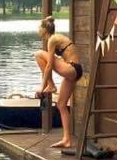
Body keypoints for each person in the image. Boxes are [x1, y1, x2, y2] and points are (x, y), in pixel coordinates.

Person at [34, 15, 82, 149]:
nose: (38, 31)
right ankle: (67, 139)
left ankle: (51, 85)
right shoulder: (56, 38)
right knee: (61, 105)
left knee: (38, 54)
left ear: (44, 29)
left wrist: (42, 86)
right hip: (73, 72)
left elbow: (49, 65)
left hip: (72, 68)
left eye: (39, 28)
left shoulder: (52, 40)